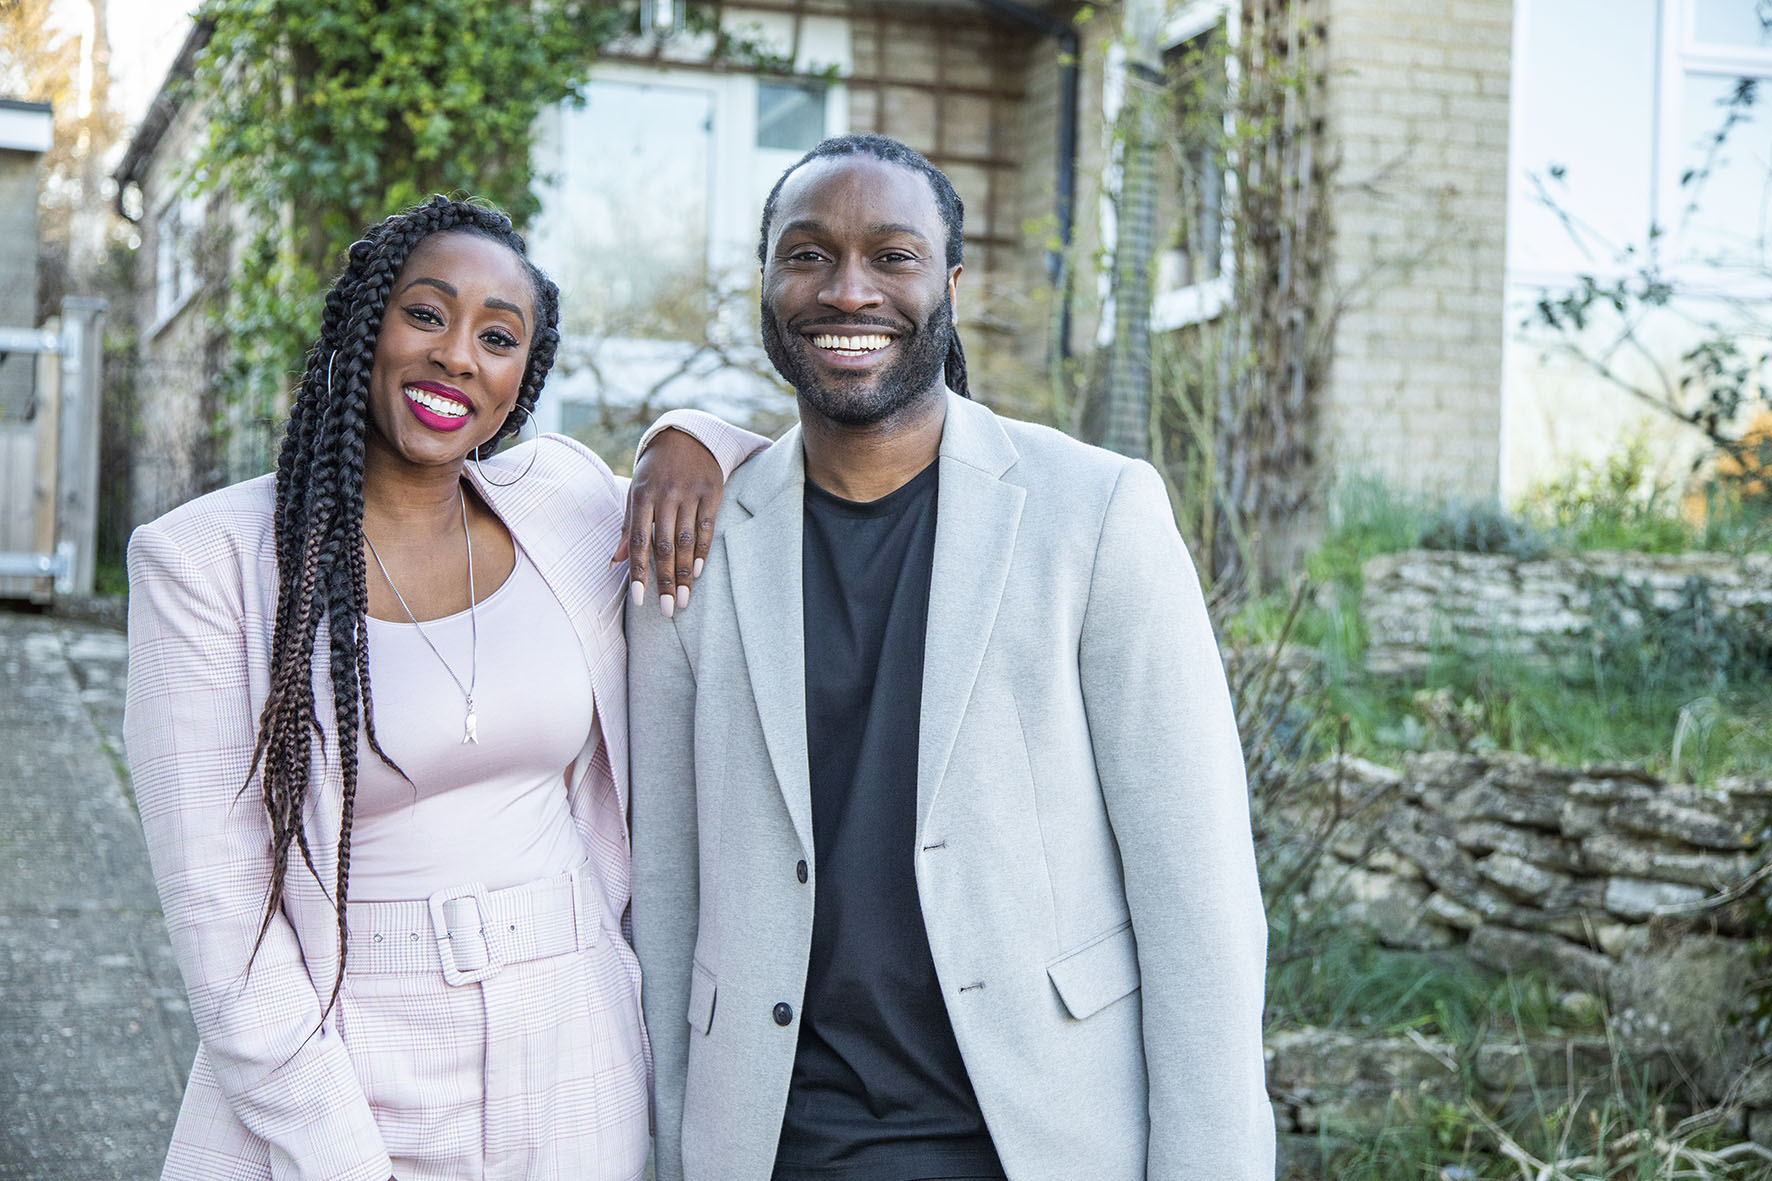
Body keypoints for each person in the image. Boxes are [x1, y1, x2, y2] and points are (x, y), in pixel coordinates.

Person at [628, 134, 1274, 1180]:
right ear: (763, 285)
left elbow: (1197, 903)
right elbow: (665, 895)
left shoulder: (1094, 512)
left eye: (892, 256)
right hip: (772, 1141)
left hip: (1039, 1135)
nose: (847, 290)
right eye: (805, 255)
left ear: (950, 285)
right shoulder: (684, 540)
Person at [124, 195, 765, 1180]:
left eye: (497, 336)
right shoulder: (208, 564)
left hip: (576, 1036)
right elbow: (222, 924)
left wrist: (684, 434)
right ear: (363, 323)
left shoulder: (564, 501)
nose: (457, 355)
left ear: (523, 374)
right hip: (348, 1045)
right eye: (425, 313)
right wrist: (343, 1157)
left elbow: (780, 479)